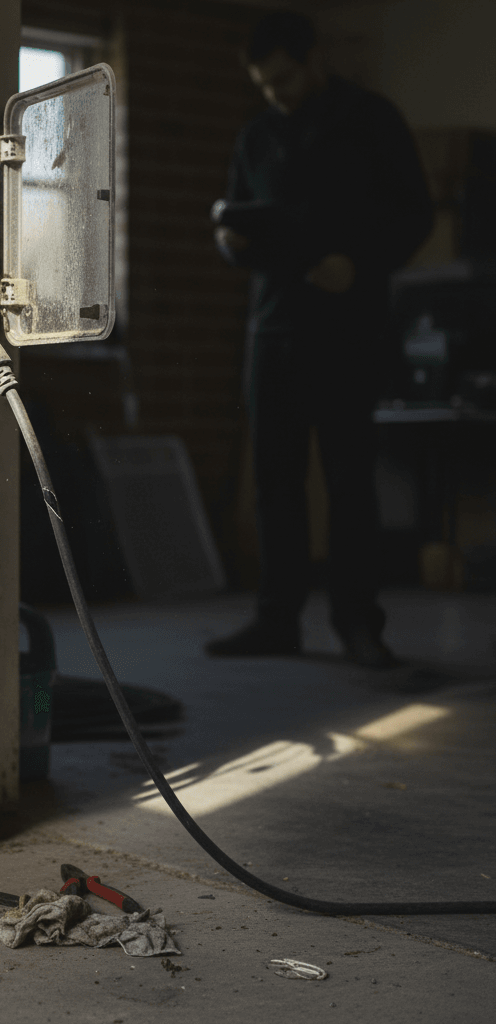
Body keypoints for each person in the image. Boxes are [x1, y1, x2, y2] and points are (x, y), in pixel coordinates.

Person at [207, 10, 433, 668]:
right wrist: (231, 243)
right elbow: (238, 227)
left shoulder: (371, 120)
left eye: (282, 79)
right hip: (272, 327)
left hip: (347, 326)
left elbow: (415, 213)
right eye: (263, 84)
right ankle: (276, 619)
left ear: (313, 60)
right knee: (274, 479)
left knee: (348, 477)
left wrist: (358, 264)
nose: (274, 93)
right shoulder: (255, 136)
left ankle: (358, 623)